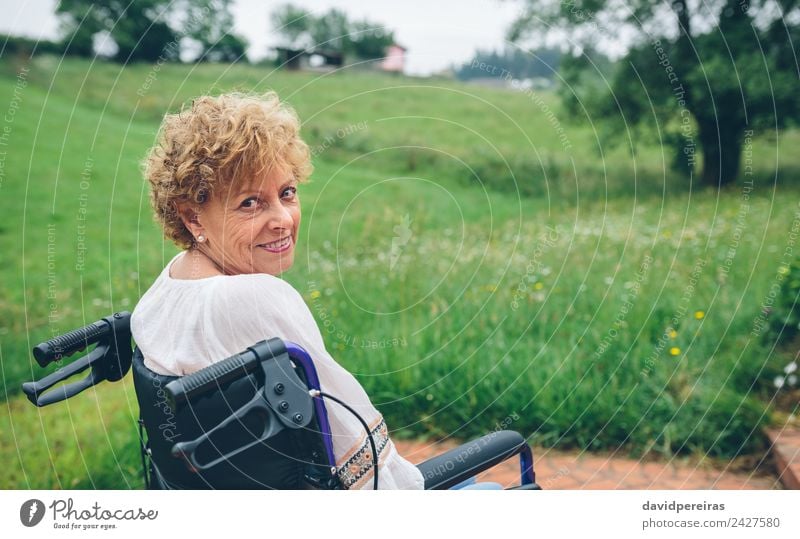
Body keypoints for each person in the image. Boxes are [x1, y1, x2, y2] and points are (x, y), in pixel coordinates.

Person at [131, 92, 424, 490]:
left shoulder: (161, 296)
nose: (283, 219)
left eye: (287, 193)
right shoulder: (256, 298)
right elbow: (357, 447)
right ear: (192, 214)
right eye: (251, 203)